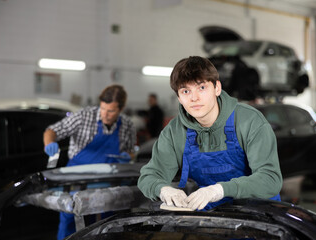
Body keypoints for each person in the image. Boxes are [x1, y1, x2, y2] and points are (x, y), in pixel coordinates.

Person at [137, 56, 282, 211]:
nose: (194, 98)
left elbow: (270, 179)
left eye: (202, 88)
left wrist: (218, 190)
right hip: (213, 220)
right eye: (186, 91)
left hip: (260, 216)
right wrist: (162, 189)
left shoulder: (250, 121)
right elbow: (148, 177)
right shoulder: (174, 131)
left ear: (217, 88)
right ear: (179, 98)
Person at [43, 84, 136, 240]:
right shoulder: (84, 116)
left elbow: (131, 151)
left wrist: (129, 156)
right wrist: (49, 143)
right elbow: (52, 131)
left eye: (111, 111)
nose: (105, 114)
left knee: (107, 224)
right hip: (76, 180)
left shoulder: (127, 125)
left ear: (121, 109)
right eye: (103, 109)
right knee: (70, 219)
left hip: (108, 182)